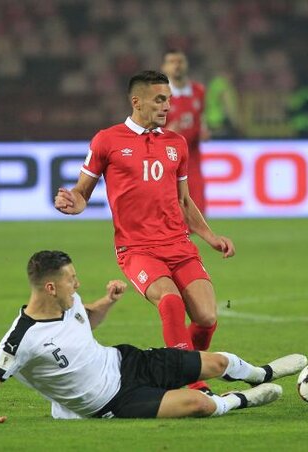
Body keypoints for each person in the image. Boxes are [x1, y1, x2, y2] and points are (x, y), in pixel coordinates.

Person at [54, 71, 235, 395]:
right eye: (160, 100)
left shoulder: (176, 144)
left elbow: (183, 200)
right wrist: (75, 204)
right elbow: (83, 191)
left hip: (178, 244)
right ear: (137, 101)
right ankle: (189, 380)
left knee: (207, 317)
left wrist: (209, 236)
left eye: (169, 100)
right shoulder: (106, 141)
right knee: (170, 302)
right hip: (137, 249)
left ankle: (177, 366)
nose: (167, 107)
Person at [0, 250, 308, 424]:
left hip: (125, 360)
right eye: (71, 279)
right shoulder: (20, 339)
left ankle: (261, 374)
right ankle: (241, 399)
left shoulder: (69, 301)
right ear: (50, 287)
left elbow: (85, 319)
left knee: (218, 361)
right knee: (199, 404)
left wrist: (107, 302)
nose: (77, 284)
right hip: (112, 402)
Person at [161, 49, 209, 214]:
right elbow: (147, 128)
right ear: (164, 67)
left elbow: (201, 117)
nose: (177, 66)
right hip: (167, 160)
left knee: (197, 212)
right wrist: (166, 132)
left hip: (192, 159)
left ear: (186, 65)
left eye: (180, 61)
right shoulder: (159, 94)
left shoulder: (199, 91)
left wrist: (203, 129)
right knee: (171, 212)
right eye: (172, 62)